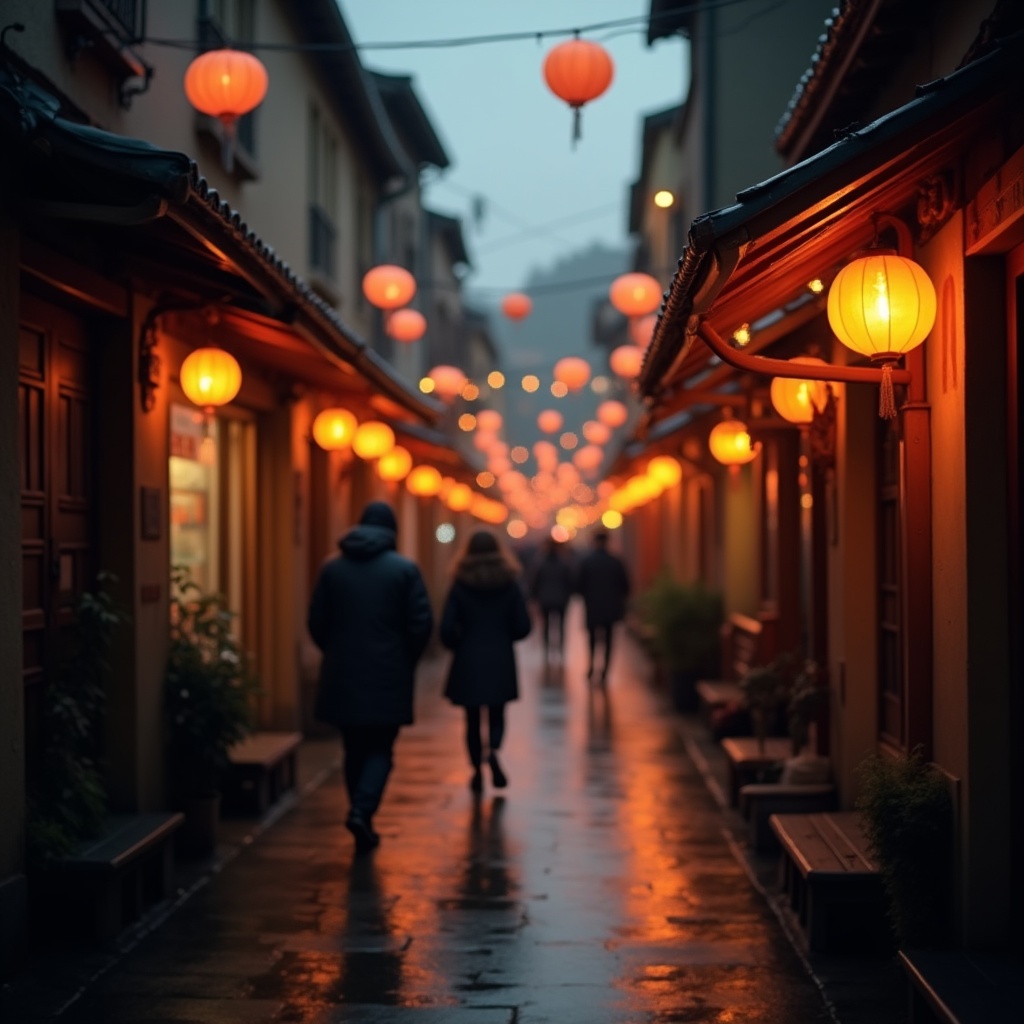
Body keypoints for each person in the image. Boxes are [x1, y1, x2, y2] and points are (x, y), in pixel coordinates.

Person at [307, 501, 433, 853]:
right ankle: (362, 811)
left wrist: (335, 651)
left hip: (343, 671)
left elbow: (316, 621)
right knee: (381, 747)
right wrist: (405, 658)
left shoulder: (332, 568)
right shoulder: (404, 570)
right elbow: (421, 624)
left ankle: (359, 812)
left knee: (353, 747)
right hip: (388, 672)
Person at [440, 530, 531, 793]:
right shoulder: (509, 582)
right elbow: (523, 626)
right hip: (500, 656)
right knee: (497, 712)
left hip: (468, 657)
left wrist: (458, 644)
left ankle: (476, 770)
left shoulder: (460, 583)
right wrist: (505, 636)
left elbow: (446, 628)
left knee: (471, 718)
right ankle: (493, 749)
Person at [574, 530, 631, 682]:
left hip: (592, 606)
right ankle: (605, 670)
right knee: (609, 639)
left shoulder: (587, 562)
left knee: (592, 638)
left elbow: (578, 586)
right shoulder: (616, 562)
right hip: (611, 607)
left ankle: (591, 667)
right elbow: (626, 586)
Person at [528, 537, 574, 659]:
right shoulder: (564, 563)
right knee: (561, 626)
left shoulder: (540, 563)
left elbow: (534, 582)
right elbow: (569, 582)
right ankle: (561, 651)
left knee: (546, 626)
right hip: (561, 599)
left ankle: (547, 651)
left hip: (545, 599)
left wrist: (533, 598)